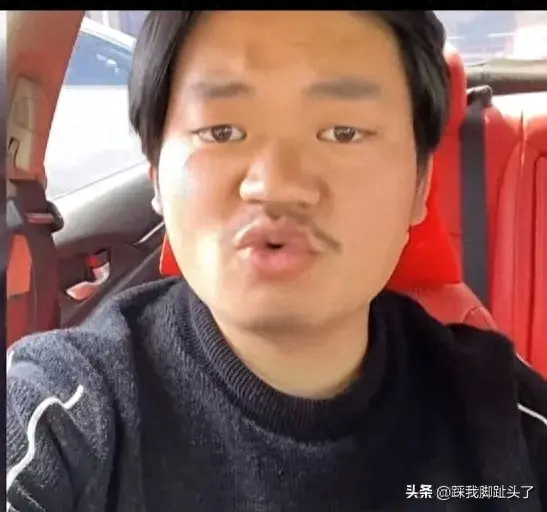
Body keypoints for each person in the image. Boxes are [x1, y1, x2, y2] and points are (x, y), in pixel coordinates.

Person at [6, 10, 547, 512]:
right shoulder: (65, 416)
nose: (276, 185)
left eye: (343, 132)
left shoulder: (503, 419)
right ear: (156, 176)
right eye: (222, 131)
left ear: (420, 184)